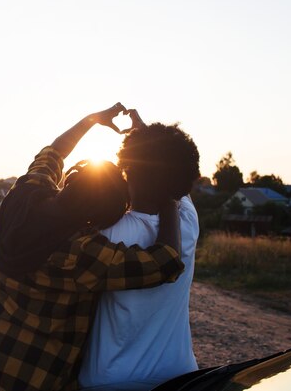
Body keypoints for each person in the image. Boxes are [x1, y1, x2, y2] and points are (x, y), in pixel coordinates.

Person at [0, 103, 186, 391]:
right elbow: (167, 262)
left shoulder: (24, 195)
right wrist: (170, 201)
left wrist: (92, 120)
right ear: (99, 218)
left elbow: (54, 152)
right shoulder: (79, 254)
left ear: (69, 181)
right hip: (31, 379)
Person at [79, 114, 201, 390]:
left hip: (112, 380)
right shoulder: (188, 223)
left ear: (127, 170)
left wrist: (136, 138)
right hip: (181, 376)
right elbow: (171, 171)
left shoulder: (106, 234)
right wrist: (142, 133)